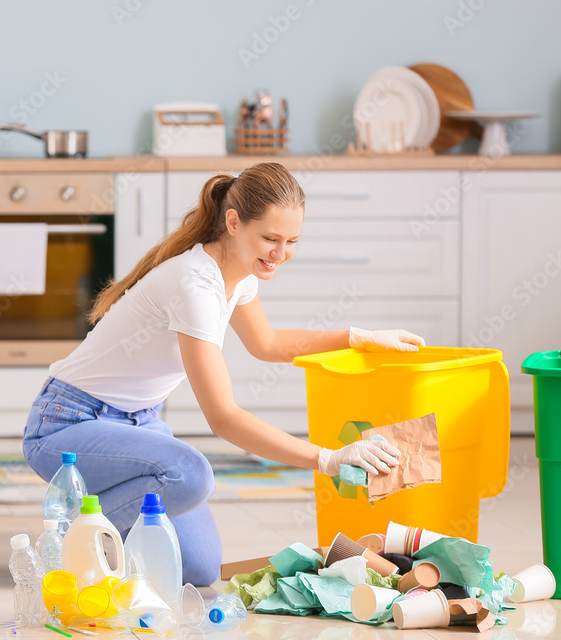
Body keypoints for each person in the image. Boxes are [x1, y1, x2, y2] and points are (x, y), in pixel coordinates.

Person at [22, 162, 424, 586]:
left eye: (291, 241)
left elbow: (266, 344)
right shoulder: (195, 284)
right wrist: (326, 459)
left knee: (199, 569)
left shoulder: (240, 274)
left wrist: (357, 337)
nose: (280, 253)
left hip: (139, 423)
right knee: (190, 475)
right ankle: (72, 537)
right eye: (269, 238)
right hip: (67, 424)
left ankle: (90, 516)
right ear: (233, 222)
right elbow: (223, 417)